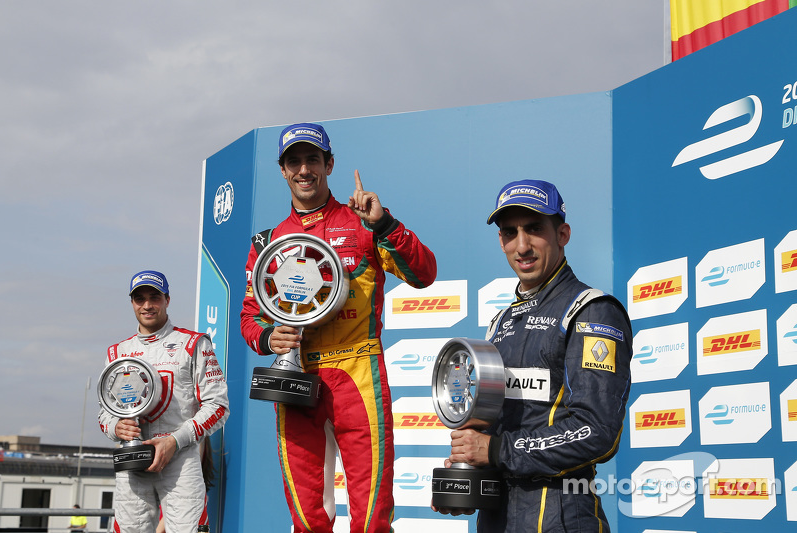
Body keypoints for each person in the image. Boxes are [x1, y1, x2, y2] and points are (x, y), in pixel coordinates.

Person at [239, 122, 437, 532]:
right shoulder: (266, 242)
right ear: (282, 170)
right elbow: (250, 315)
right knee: (307, 517)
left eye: (313, 159)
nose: (304, 170)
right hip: (297, 378)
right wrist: (267, 337)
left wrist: (384, 225)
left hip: (357, 372)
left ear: (329, 164)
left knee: (370, 516)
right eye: (294, 161)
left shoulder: (364, 221)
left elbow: (424, 274)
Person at [432, 180, 632, 532]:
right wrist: (467, 479)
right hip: (497, 517)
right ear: (501, 241)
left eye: (534, 229)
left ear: (563, 233)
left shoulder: (591, 311)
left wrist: (495, 451)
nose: (522, 246)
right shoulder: (503, 321)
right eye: (510, 232)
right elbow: (493, 428)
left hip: (562, 515)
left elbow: (597, 431)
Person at [99, 270, 230, 533]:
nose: (147, 305)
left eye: (154, 297)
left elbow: (218, 407)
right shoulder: (117, 352)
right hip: (132, 463)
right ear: (132, 303)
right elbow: (104, 413)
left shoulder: (193, 343)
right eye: (140, 299)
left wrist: (174, 441)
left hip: (180, 461)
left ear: (167, 300)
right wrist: (116, 428)